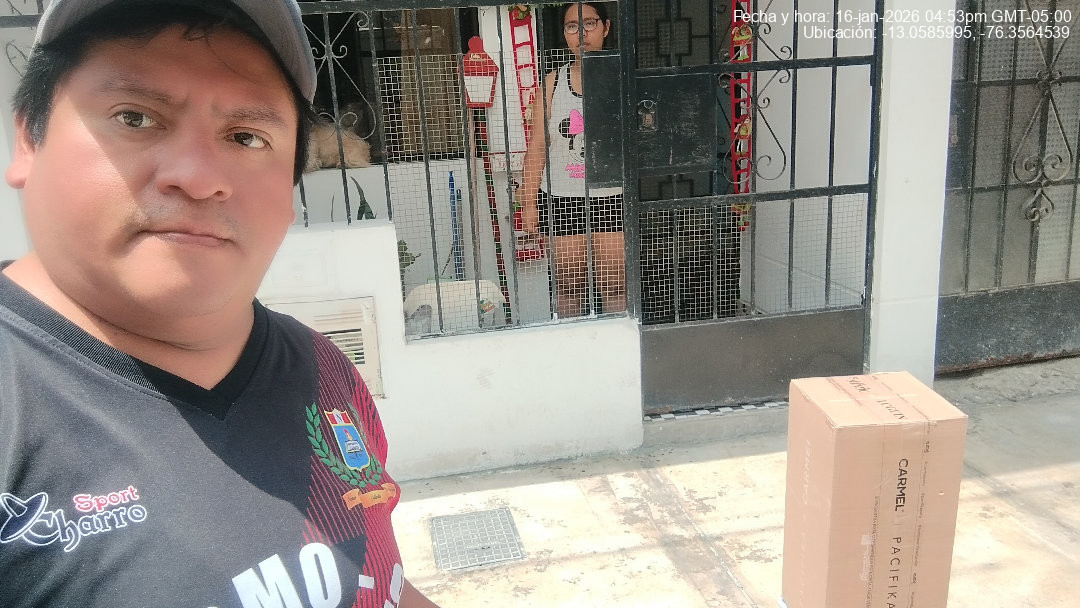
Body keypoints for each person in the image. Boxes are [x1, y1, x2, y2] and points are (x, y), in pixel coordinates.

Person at [0, 1, 441, 606]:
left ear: (291, 185)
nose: (198, 176)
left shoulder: (321, 367)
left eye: (245, 136)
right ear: (29, 136)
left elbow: (374, 579)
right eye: (136, 117)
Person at [517, 2, 625, 318]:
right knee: (569, 285)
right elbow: (537, 147)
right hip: (563, 197)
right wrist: (528, 203)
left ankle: (616, 343)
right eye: (572, 26)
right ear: (565, 33)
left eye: (589, 23)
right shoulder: (552, 84)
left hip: (611, 195)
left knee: (615, 284)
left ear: (606, 27)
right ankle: (572, 343)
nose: (581, 33)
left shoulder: (623, 78)